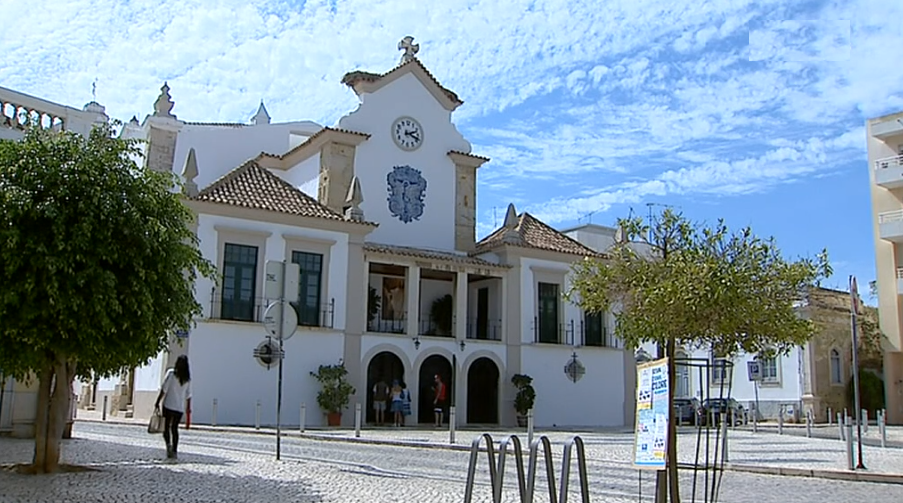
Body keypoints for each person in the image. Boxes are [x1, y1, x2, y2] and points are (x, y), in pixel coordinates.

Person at [155, 355, 192, 459]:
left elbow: (164, 389)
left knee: (166, 427)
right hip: (179, 408)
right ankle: (175, 450)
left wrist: (157, 401)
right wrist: (188, 408)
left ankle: (168, 445)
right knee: (175, 429)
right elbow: (189, 395)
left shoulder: (171, 374)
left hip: (168, 405)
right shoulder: (187, 379)